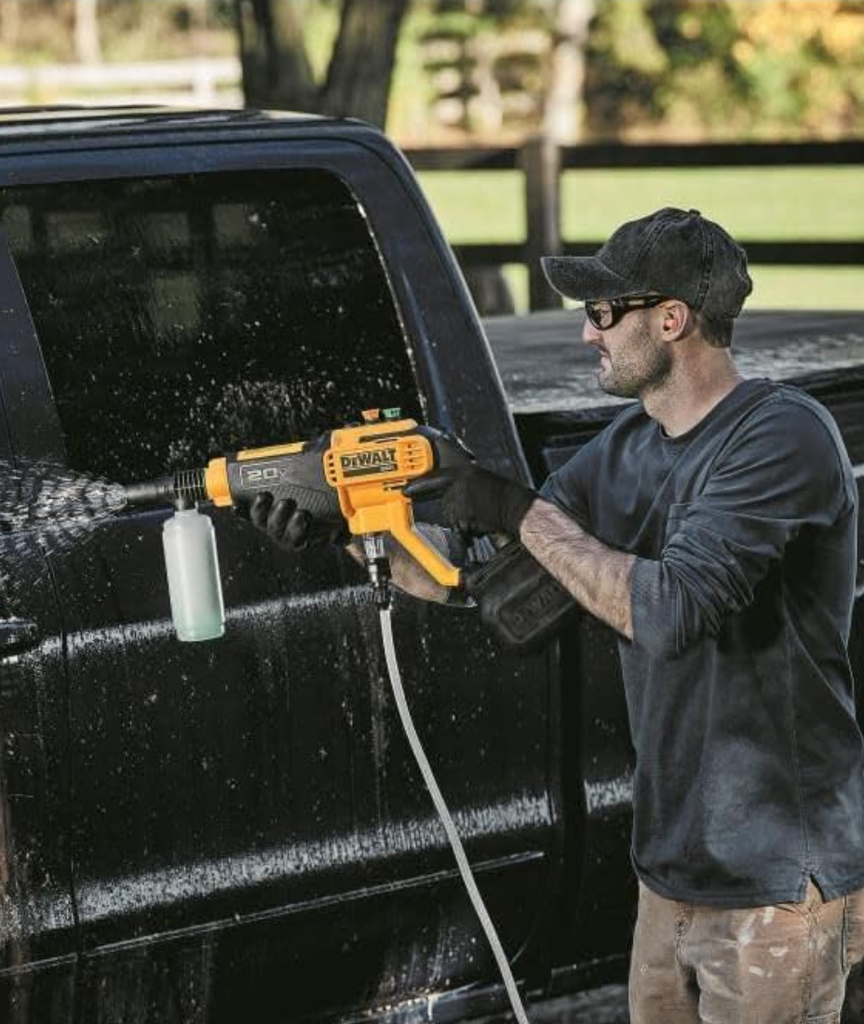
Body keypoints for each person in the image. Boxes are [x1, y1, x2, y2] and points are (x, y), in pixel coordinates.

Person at [244, 207, 864, 1023]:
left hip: (777, 881)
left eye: (602, 311)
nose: (585, 333)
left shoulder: (779, 437)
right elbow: (484, 582)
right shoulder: (625, 449)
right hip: (672, 871)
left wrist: (511, 504)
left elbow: (669, 612)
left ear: (671, 320)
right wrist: (351, 534)